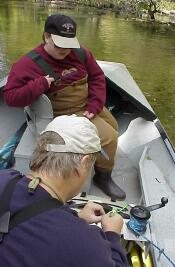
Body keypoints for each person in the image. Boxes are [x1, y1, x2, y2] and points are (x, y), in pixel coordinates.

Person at [3, 13, 126, 200]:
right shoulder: (26, 64)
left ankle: (98, 160)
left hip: (87, 105)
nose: (65, 50)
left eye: (69, 45)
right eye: (59, 44)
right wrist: (39, 85)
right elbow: (11, 97)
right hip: (62, 115)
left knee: (114, 127)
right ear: (46, 36)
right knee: (109, 137)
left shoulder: (81, 53)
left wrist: (95, 103)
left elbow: (97, 77)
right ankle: (103, 177)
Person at [0, 115, 128, 267]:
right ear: (84, 162)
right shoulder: (86, 245)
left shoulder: (5, 177)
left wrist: (76, 216)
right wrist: (112, 235)